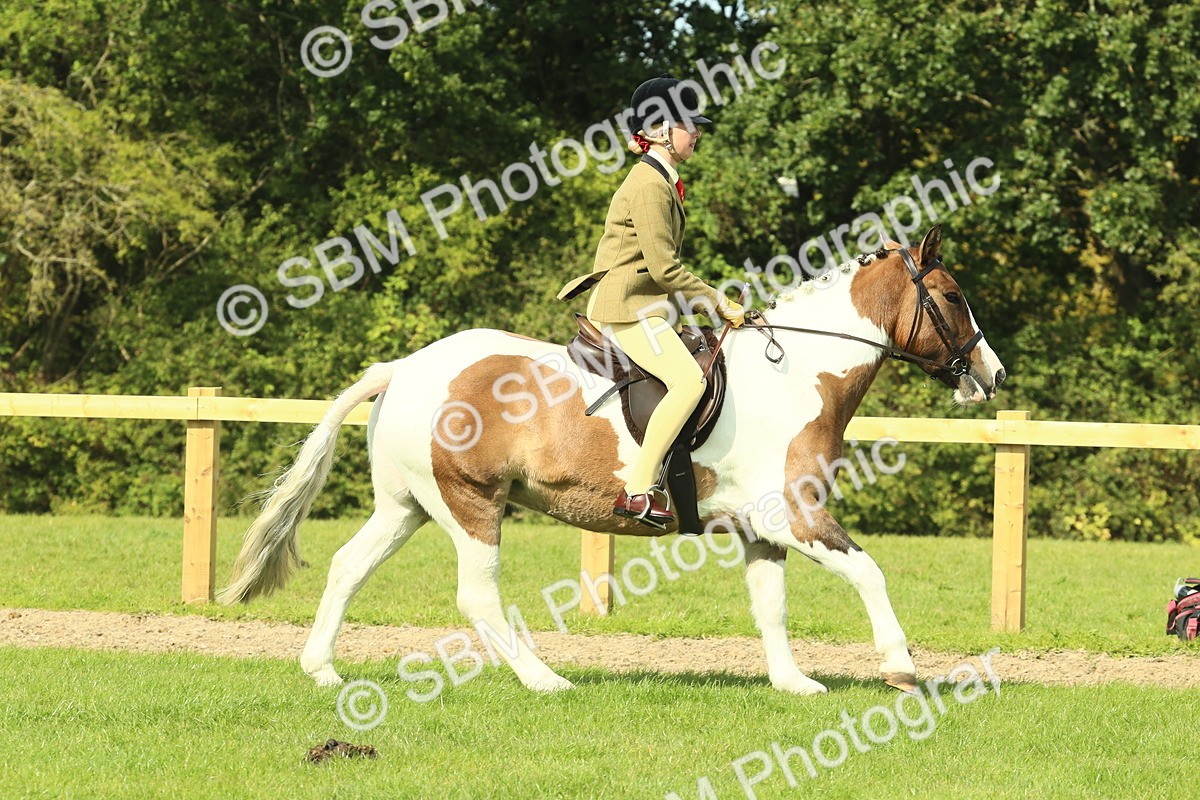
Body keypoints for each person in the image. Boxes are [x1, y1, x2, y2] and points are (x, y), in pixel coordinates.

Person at [557, 75, 745, 527]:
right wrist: (715, 300)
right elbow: (663, 268)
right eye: (689, 125)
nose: (697, 132)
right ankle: (638, 489)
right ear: (661, 131)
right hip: (626, 309)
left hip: (644, 304)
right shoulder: (648, 185)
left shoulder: (661, 179)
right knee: (688, 382)